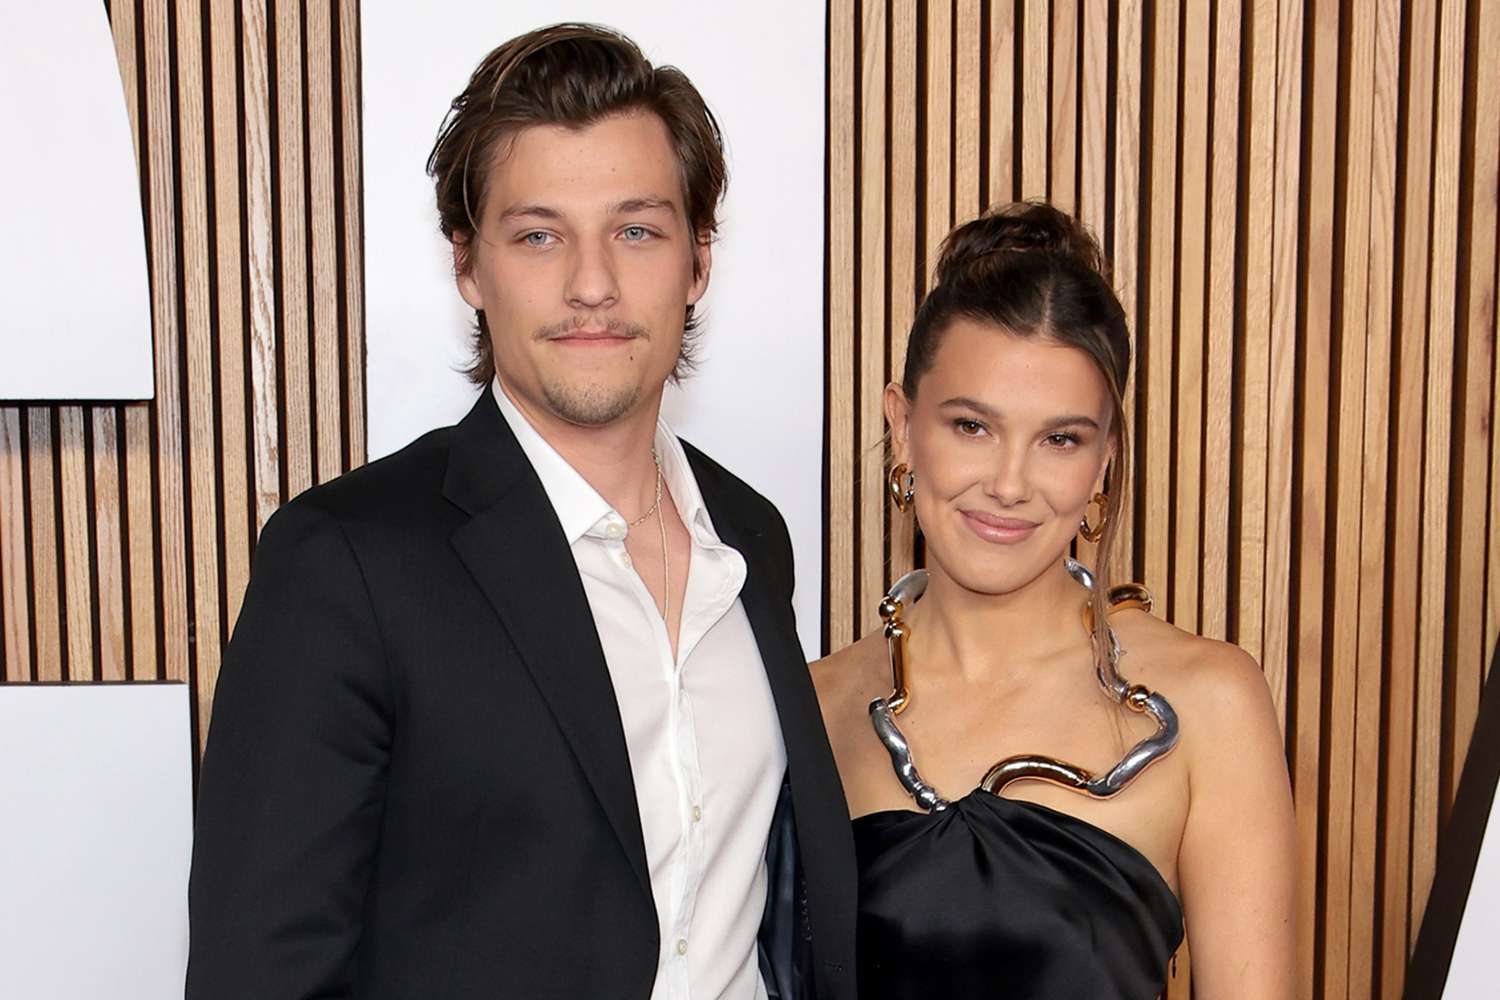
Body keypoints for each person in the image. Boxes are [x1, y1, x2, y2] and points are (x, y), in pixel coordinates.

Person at [186, 24, 855, 1000]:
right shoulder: (348, 564)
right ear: (469, 264)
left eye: (637, 230)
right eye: (539, 235)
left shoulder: (752, 538)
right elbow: (261, 976)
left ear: (698, 260)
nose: (593, 284)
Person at [812, 202, 1295, 998]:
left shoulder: (1212, 705)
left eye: (1060, 439)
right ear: (903, 426)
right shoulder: (815, 705)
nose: (1008, 484)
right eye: (971, 426)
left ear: (1105, 459)